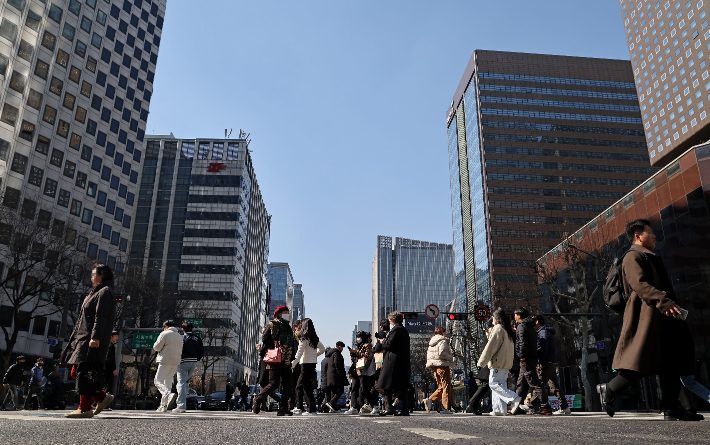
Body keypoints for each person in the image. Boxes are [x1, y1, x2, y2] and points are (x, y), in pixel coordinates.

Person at [599, 219, 702, 421]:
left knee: (670, 362)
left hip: (664, 318)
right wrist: (663, 301)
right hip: (647, 318)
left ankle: (672, 407)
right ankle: (610, 390)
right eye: (650, 232)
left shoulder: (650, 256)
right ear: (638, 236)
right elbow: (639, 283)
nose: (654, 236)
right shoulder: (633, 256)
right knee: (639, 363)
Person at [61, 263, 117, 418]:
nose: (91, 277)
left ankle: (87, 406)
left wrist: (96, 337)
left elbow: (101, 316)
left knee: (81, 372)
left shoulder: (105, 292)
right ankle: (98, 399)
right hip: (83, 338)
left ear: (102, 275)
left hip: (90, 339)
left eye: (94, 274)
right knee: (80, 372)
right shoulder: (95, 292)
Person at [477, 308, 520, 416]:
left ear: (496, 318)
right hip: (506, 362)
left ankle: (513, 398)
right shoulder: (507, 329)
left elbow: (491, 347)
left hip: (498, 362)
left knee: (493, 384)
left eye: (493, 318)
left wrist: (481, 362)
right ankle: (499, 409)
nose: (492, 320)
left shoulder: (498, 328)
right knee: (500, 384)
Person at [253, 305, 294, 416]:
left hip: (286, 360)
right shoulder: (272, 324)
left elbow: (292, 343)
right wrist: (275, 346)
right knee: (274, 383)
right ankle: (258, 399)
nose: (287, 314)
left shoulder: (288, 327)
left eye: (288, 312)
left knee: (288, 384)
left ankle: (283, 407)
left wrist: (292, 358)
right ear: (279, 313)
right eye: (285, 312)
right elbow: (265, 338)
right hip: (275, 358)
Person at [528, 314, 569, 415]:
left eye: (532, 320)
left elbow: (542, 348)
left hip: (545, 362)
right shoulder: (545, 331)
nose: (531, 323)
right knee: (554, 386)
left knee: (539, 384)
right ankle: (564, 407)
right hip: (551, 362)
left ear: (537, 321)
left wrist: (540, 361)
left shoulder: (542, 332)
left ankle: (530, 406)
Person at [511, 307, 548, 415]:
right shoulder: (529, 326)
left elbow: (522, 342)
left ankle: (545, 406)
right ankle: (516, 406)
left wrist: (522, 357)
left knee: (534, 383)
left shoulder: (522, 326)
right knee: (521, 384)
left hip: (526, 358)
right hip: (530, 357)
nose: (514, 317)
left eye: (515, 314)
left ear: (519, 315)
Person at [377, 311, 411, 416]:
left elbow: (389, 345)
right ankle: (404, 409)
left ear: (393, 321)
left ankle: (389, 408)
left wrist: (383, 342)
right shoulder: (404, 330)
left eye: (390, 321)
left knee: (386, 383)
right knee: (403, 386)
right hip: (403, 360)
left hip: (393, 360)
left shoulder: (396, 330)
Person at [291, 318, 325, 415]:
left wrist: (292, 364)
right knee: (303, 386)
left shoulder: (303, 338)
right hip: (312, 364)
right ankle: (302, 408)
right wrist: (314, 355)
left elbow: (299, 353)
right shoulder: (314, 338)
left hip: (305, 364)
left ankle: (311, 409)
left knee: (305, 387)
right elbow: (322, 349)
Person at [152, 319, 183, 412]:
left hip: (165, 360)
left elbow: (157, 347)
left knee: (158, 381)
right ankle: (163, 405)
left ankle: (167, 394)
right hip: (176, 361)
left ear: (166, 326)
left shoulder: (164, 334)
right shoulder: (179, 336)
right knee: (168, 381)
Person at [173, 321, 203, 413]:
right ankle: (182, 402)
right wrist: (197, 358)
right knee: (186, 383)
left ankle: (181, 405)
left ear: (183, 329)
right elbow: (201, 350)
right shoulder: (197, 338)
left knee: (181, 382)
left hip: (183, 362)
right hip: (193, 362)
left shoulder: (181, 338)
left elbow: (177, 350)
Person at [423, 327, 455, 414]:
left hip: (435, 367)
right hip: (443, 365)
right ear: (442, 333)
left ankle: (430, 400)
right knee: (446, 387)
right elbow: (441, 353)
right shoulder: (442, 341)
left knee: (441, 387)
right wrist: (451, 357)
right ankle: (445, 408)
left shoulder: (432, 342)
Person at [349, 331, 378, 414]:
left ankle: (374, 405)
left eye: (359, 337)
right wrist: (352, 353)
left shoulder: (367, 345)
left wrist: (357, 352)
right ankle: (354, 407)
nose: (357, 339)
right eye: (357, 337)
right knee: (354, 389)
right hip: (355, 369)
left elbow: (367, 356)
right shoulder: (357, 346)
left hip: (363, 370)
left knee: (364, 389)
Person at [325, 341, 348, 413]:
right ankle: (331, 403)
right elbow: (338, 365)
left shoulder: (331, 354)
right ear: (339, 346)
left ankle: (332, 408)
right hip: (336, 376)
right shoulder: (337, 353)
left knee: (334, 391)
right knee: (341, 390)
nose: (342, 349)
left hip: (330, 376)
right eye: (342, 347)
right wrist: (342, 374)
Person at [290, 319, 303, 411]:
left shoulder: (304, 339)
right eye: (299, 328)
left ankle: (299, 405)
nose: (301, 329)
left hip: (303, 365)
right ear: (294, 329)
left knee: (301, 386)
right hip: (293, 366)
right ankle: (292, 405)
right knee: (292, 386)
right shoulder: (291, 339)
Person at [104, 331, 119, 398]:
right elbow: (110, 359)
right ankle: (104, 403)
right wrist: (113, 369)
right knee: (108, 386)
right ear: (111, 337)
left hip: (105, 368)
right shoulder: (111, 347)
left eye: (117, 336)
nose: (117, 338)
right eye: (115, 336)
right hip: (108, 369)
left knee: (106, 385)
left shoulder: (106, 345)